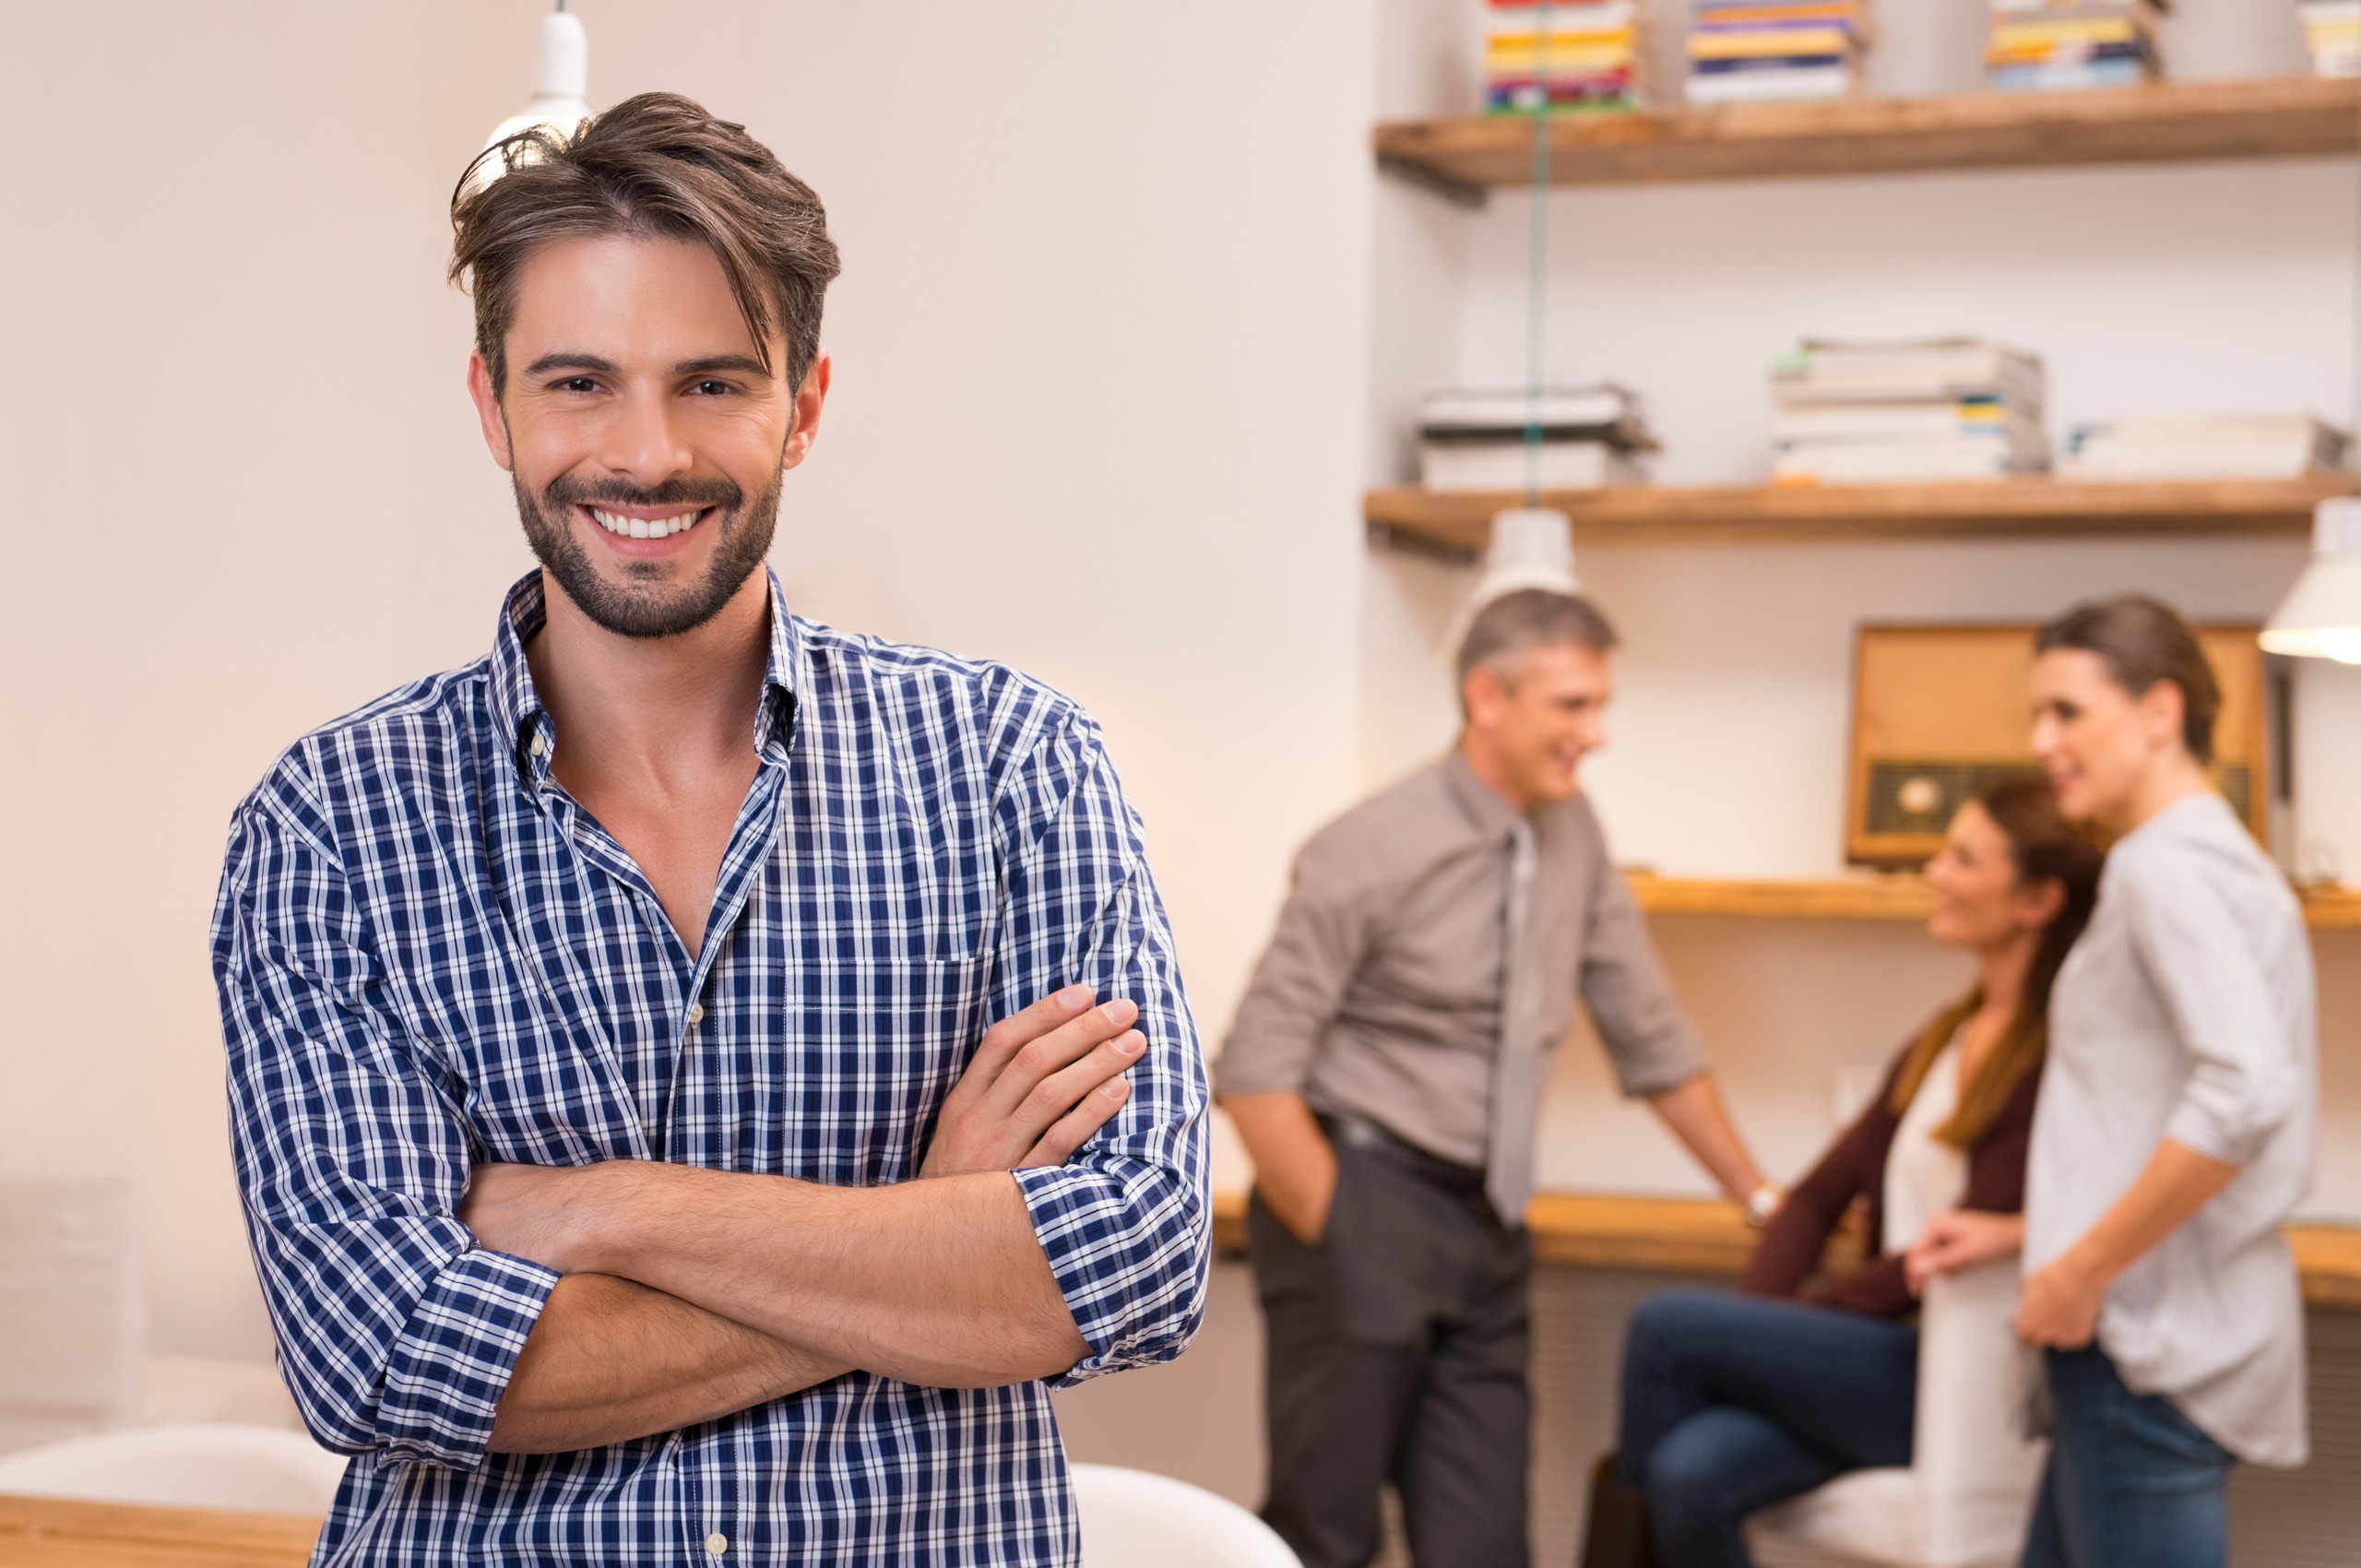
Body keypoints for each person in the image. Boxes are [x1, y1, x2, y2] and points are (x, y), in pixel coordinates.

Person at [211, 94, 1206, 1566]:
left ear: (802, 406)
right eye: (579, 384)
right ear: (492, 406)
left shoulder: (1013, 770)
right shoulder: (332, 827)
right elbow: (381, 1356)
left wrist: (611, 1211)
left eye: (712, 384)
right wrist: (925, 1231)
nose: (646, 453)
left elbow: (1128, 1260)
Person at [1216, 588, 1775, 1568]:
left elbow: (1651, 1035)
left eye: (1599, 705)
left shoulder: (1573, 836)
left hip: (1487, 1228)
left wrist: (1762, 1196)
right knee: (1323, 1534)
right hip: (1366, 1199)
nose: (1595, 733)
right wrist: (1336, 1224)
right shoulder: (1371, 845)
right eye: (1572, 705)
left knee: (1485, 1544)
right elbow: (1255, 1066)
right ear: (1488, 696)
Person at [1588, 777, 2103, 1568]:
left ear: (2036, 901)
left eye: (1962, 858)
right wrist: (1760, 1340)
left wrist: (1773, 1337)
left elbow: (1934, 1261)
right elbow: (1817, 1198)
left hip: (1945, 1381)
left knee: (1666, 1330)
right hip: (1861, 1365)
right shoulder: (1950, 1037)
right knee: (1687, 1473)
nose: (1934, 870)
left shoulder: (2050, 1062)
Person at [2016, 594, 2315, 1568]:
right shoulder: (2218, 858)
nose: (2042, 740)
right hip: (2150, 1333)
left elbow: (2244, 1088)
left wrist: (2081, 1266)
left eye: (2066, 711)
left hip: (2140, 1343)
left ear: (2159, 710)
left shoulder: (2160, 868)